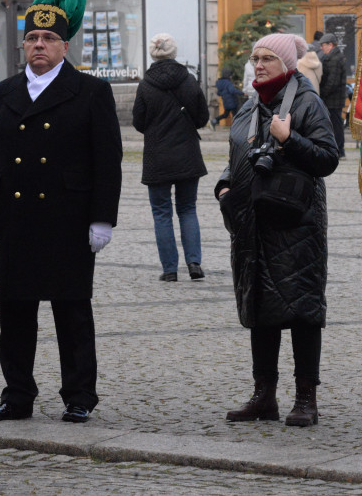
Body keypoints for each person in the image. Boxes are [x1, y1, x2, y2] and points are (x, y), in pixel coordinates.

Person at [0, 0, 122, 424]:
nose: (39, 44)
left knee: (71, 312)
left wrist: (102, 218)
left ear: (64, 46)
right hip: (14, 216)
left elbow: (107, 160)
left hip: (67, 218)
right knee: (15, 314)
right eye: (32, 37)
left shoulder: (91, 91)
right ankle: (17, 395)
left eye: (48, 38)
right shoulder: (5, 92)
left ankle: (79, 395)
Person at [217, 33, 338, 428]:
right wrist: (222, 184)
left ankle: (306, 399)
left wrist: (290, 139)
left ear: (286, 64)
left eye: (268, 57)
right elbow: (238, 155)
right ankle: (263, 395)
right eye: (256, 57)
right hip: (252, 223)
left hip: (296, 224)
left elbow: (327, 157)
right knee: (260, 309)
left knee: (302, 310)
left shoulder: (306, 101)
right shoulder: (250, 104)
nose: (260, 64)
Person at [134, 33, 209, 282]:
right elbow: (202, 118)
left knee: (161, 212)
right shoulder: (189, 81)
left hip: (158, 156)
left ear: (153, 54)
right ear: (174, 52)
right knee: (188, 209)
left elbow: (138, 122)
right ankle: (194, 263)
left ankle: (170, 269)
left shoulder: (145, 85)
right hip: (187, 153)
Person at [318, 33, 348, 158]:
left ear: (330, 45)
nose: (321, 48)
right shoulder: (333, 57)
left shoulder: (334, 59)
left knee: (336, 125)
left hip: (333, 99)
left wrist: (322, 93)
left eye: (323, 45)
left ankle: (340, 150)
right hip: (333, 98)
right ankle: (338, 149)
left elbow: (332, 82)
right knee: (335, 124)